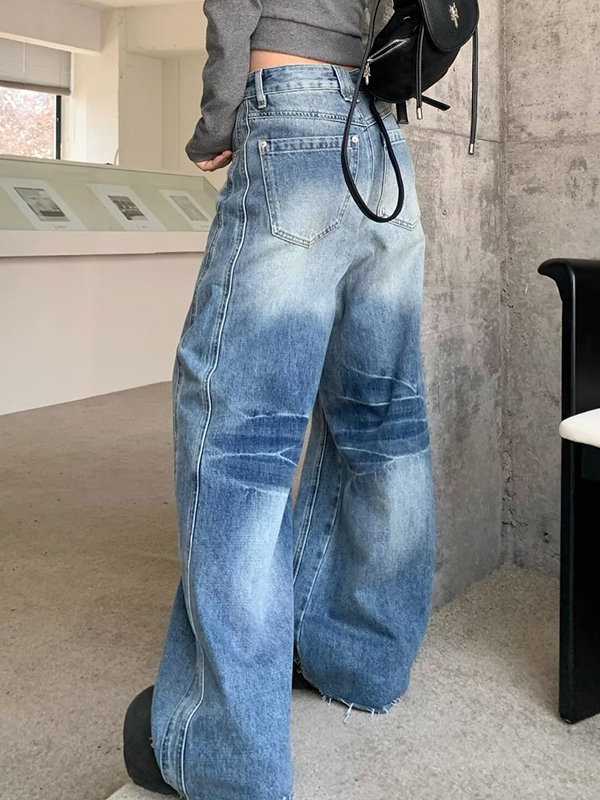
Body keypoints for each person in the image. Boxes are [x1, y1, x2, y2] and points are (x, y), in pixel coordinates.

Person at [122, 1, 437, 798]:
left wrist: (217, 119)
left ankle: (223, 757)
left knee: (237, 440)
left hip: (291, 113)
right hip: (380, 135)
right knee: (383, 421)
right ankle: (361, 660)